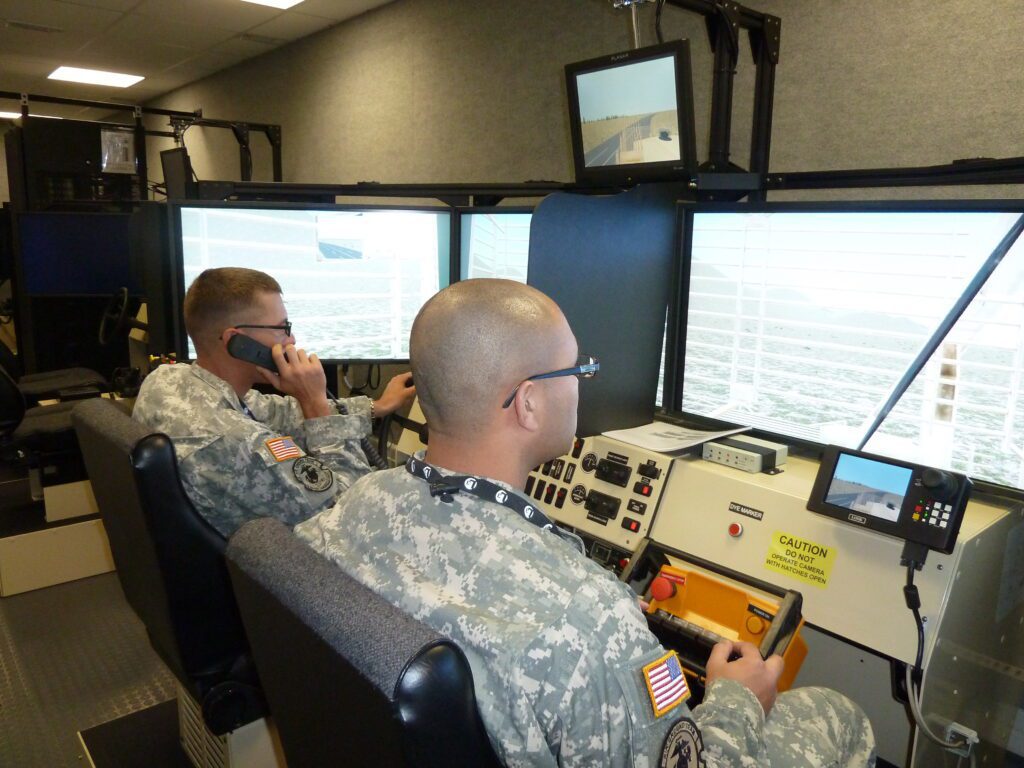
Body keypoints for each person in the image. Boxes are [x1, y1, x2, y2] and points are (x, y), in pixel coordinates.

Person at [296, 279, 875, 768]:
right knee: (836, 714)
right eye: (576, 370)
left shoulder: (350, 506)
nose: (581, 384)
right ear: (527, 403)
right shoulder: (589, 617)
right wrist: (736, 701)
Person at [133, 267, 415, 537]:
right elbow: (352, 514)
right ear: (237, 341)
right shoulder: (238, 443)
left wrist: (375, 407)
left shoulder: (168, 381)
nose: (292, 339)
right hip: (283, 573)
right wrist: (316, 406)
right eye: (282, 328)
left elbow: (273, 411)